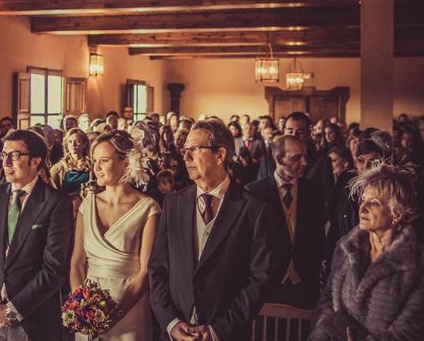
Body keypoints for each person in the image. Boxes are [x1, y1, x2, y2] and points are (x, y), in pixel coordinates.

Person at [149, 120, 285, 341]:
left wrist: (218, 329)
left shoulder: (254, 208)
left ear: (220, 155)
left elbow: (260, 278)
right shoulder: (173, 204)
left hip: (225, 332)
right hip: (176, 331)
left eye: (194, 149)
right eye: (185, 150)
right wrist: (171, 323)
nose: (186, 157)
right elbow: (157, 269)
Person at [0, 129, 74, 341]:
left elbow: (54, 269)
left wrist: (12, 310)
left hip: (32, 320)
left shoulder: (56, 203)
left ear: (35, 161)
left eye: (15, 155)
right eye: (3, 155)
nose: (6, 162)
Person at [309, 164, 424, 340]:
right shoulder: (345, 248)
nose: (362, 208)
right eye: (363, 199)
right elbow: (325, 304)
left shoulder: (420, 264)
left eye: (374, 203)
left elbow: (411, 329)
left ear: (396, 213)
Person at [70, 130, 160, 341]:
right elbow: (77, 262)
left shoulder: (148, 208)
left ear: (125, 163)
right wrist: (81, 306)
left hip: (129, 310)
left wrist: (114, 315)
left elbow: (146, 271)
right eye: (94, 161)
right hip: (89, 313)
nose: (96, 168)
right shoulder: (88, 204)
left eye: (104, 160)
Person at [246, 135, 326, 309]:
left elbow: (318, 239)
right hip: (267, 284)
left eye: (305, 156)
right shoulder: (254, 193)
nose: (305, 162)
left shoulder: (314, 192)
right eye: (297, 158)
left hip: (305, 283)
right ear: (279, 159)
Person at [50, 128, 91, 218]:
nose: (73, 145)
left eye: (77, 141)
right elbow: (53, 193)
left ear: (84, 144)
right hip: (66, 209)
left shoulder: (92, 166)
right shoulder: (58, 168)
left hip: (88, 206)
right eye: (70, 142)